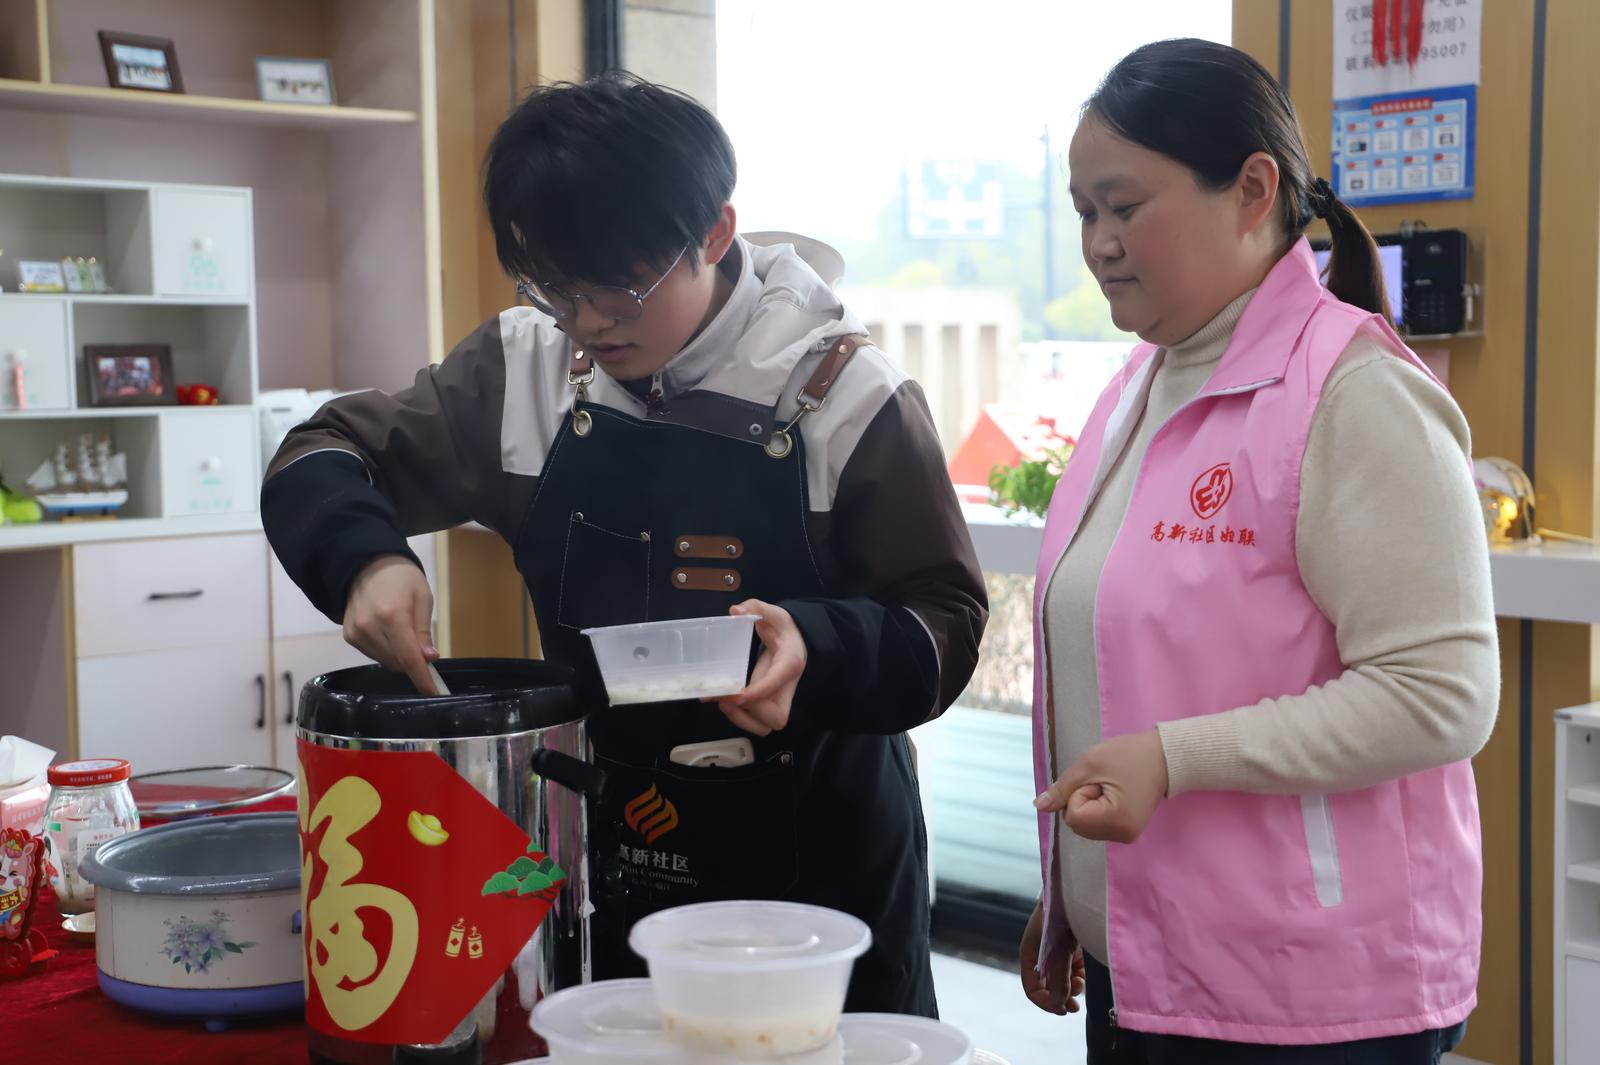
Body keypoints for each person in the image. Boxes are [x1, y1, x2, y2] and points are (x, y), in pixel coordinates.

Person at [261, 73, 987, 1015]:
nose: (589, 321)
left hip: (819, 867)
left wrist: (816, 645)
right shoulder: (525, 368)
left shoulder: (844, 392)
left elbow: (946, 619)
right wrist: (366, 558)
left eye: (620, 288)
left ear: (715, 233)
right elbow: (321, 450)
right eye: (557, 287)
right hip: (601, 843)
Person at [1019, 39, 1497, 1063]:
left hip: (1307, 992)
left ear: (1251, 190)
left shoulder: (1355, 392)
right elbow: (1115, 666)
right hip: (1146, 966)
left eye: (1123, 206)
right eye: (1083, 212)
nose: (1099, 243)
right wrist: (1073, 899)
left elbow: (1441, 693)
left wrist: (1175, 758)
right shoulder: (1137, 390)